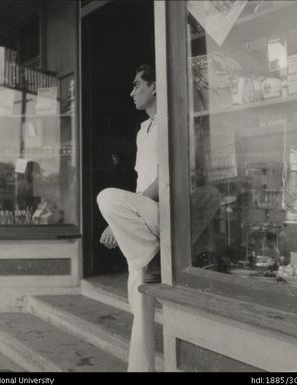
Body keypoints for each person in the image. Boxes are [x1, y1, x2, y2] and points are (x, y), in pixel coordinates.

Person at [97, 64, 221, 372]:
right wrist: (119, 220)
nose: (132, 92)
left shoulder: (171, 123)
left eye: (137, 85)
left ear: (154, 87)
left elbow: (169, 175)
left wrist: (129, 210)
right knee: (139, 304)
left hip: (164, 208)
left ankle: (152, 256)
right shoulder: (143, 131)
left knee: (106, 196)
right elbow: (139, 183)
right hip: (145, 217)